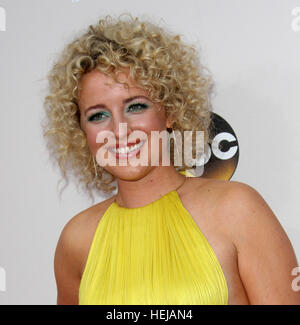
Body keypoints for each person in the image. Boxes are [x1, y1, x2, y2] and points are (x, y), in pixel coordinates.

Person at [42, 14, 300, 305]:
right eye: (98, 115)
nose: (119, 130)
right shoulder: (76, 241)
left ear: (170, 112)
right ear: (81, 131)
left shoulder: (237, 210)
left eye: (136, 106)